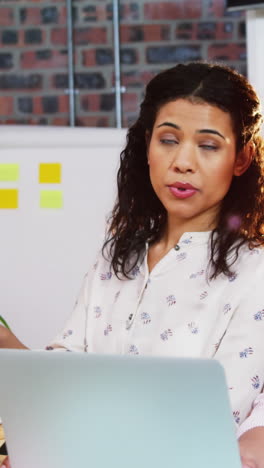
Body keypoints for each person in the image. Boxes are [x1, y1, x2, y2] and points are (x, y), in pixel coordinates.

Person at [1, 61, 264, 468]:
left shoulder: (254, 271)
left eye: (208, 145)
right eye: (168, 140)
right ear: (147, 145)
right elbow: (70, 369)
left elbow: (239, 416)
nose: (183, 162)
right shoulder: (117, 256)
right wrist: (14, 356)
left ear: (242, 158)